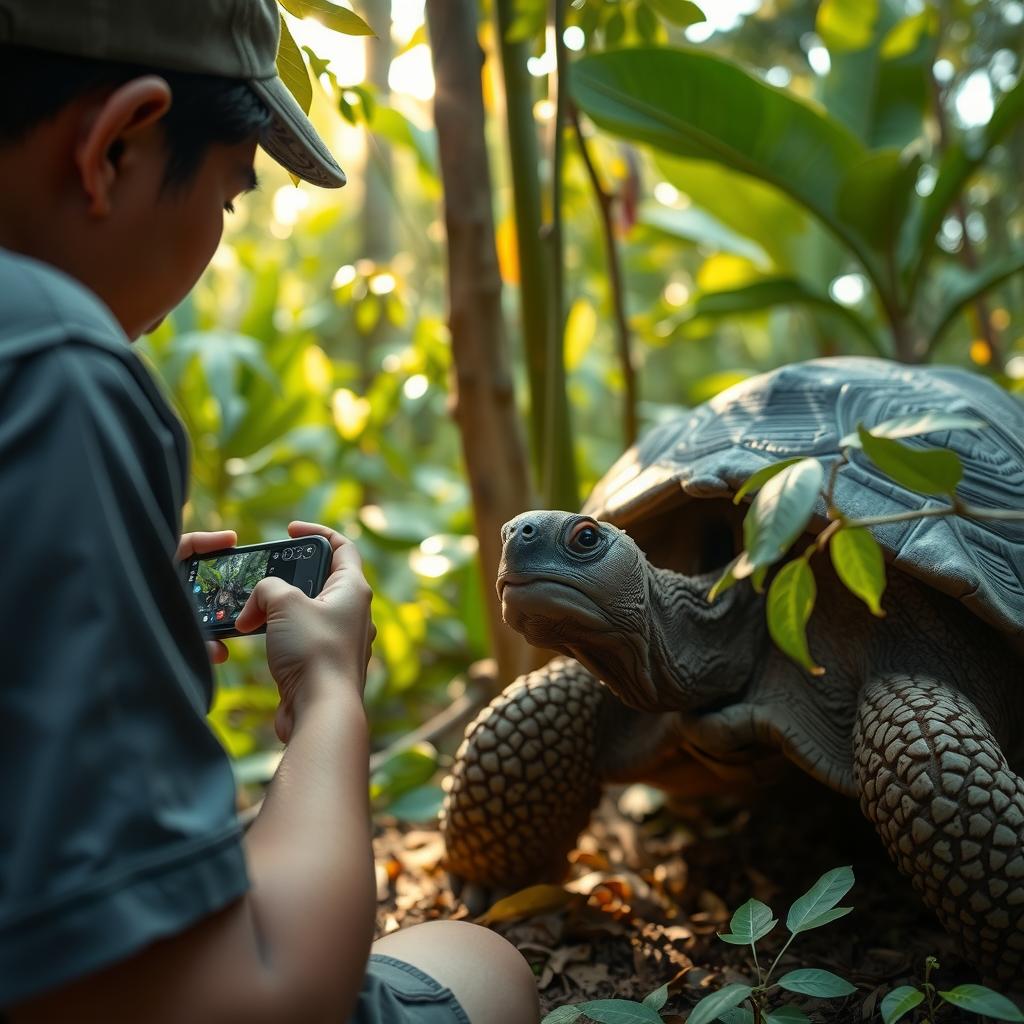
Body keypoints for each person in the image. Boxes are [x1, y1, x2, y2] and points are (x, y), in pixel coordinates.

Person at [0, 1, 540, 1022]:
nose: (216, 231)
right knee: (481, 962)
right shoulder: (54, 364)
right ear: (117, 144)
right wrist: (331, 693)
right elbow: (259, 1001)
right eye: (231, 195)